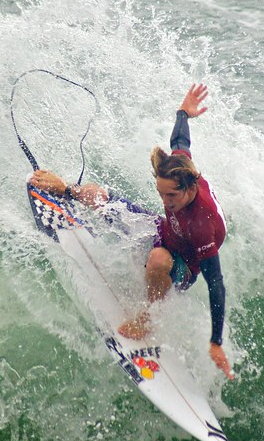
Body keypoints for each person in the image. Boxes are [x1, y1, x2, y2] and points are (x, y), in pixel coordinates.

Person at [29, 83, 233, 379]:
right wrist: (183, 113)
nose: (165, 201)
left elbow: (216, 282)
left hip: (183, 266)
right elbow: (179, 139)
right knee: (104, 197)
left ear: (189, 190)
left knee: (160, 260)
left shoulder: (202, 224)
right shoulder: (179, 170)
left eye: (171, 197)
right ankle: (64, 189)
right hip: (165, 232)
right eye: (160, 194)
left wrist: (215, 342)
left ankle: (147, 318)